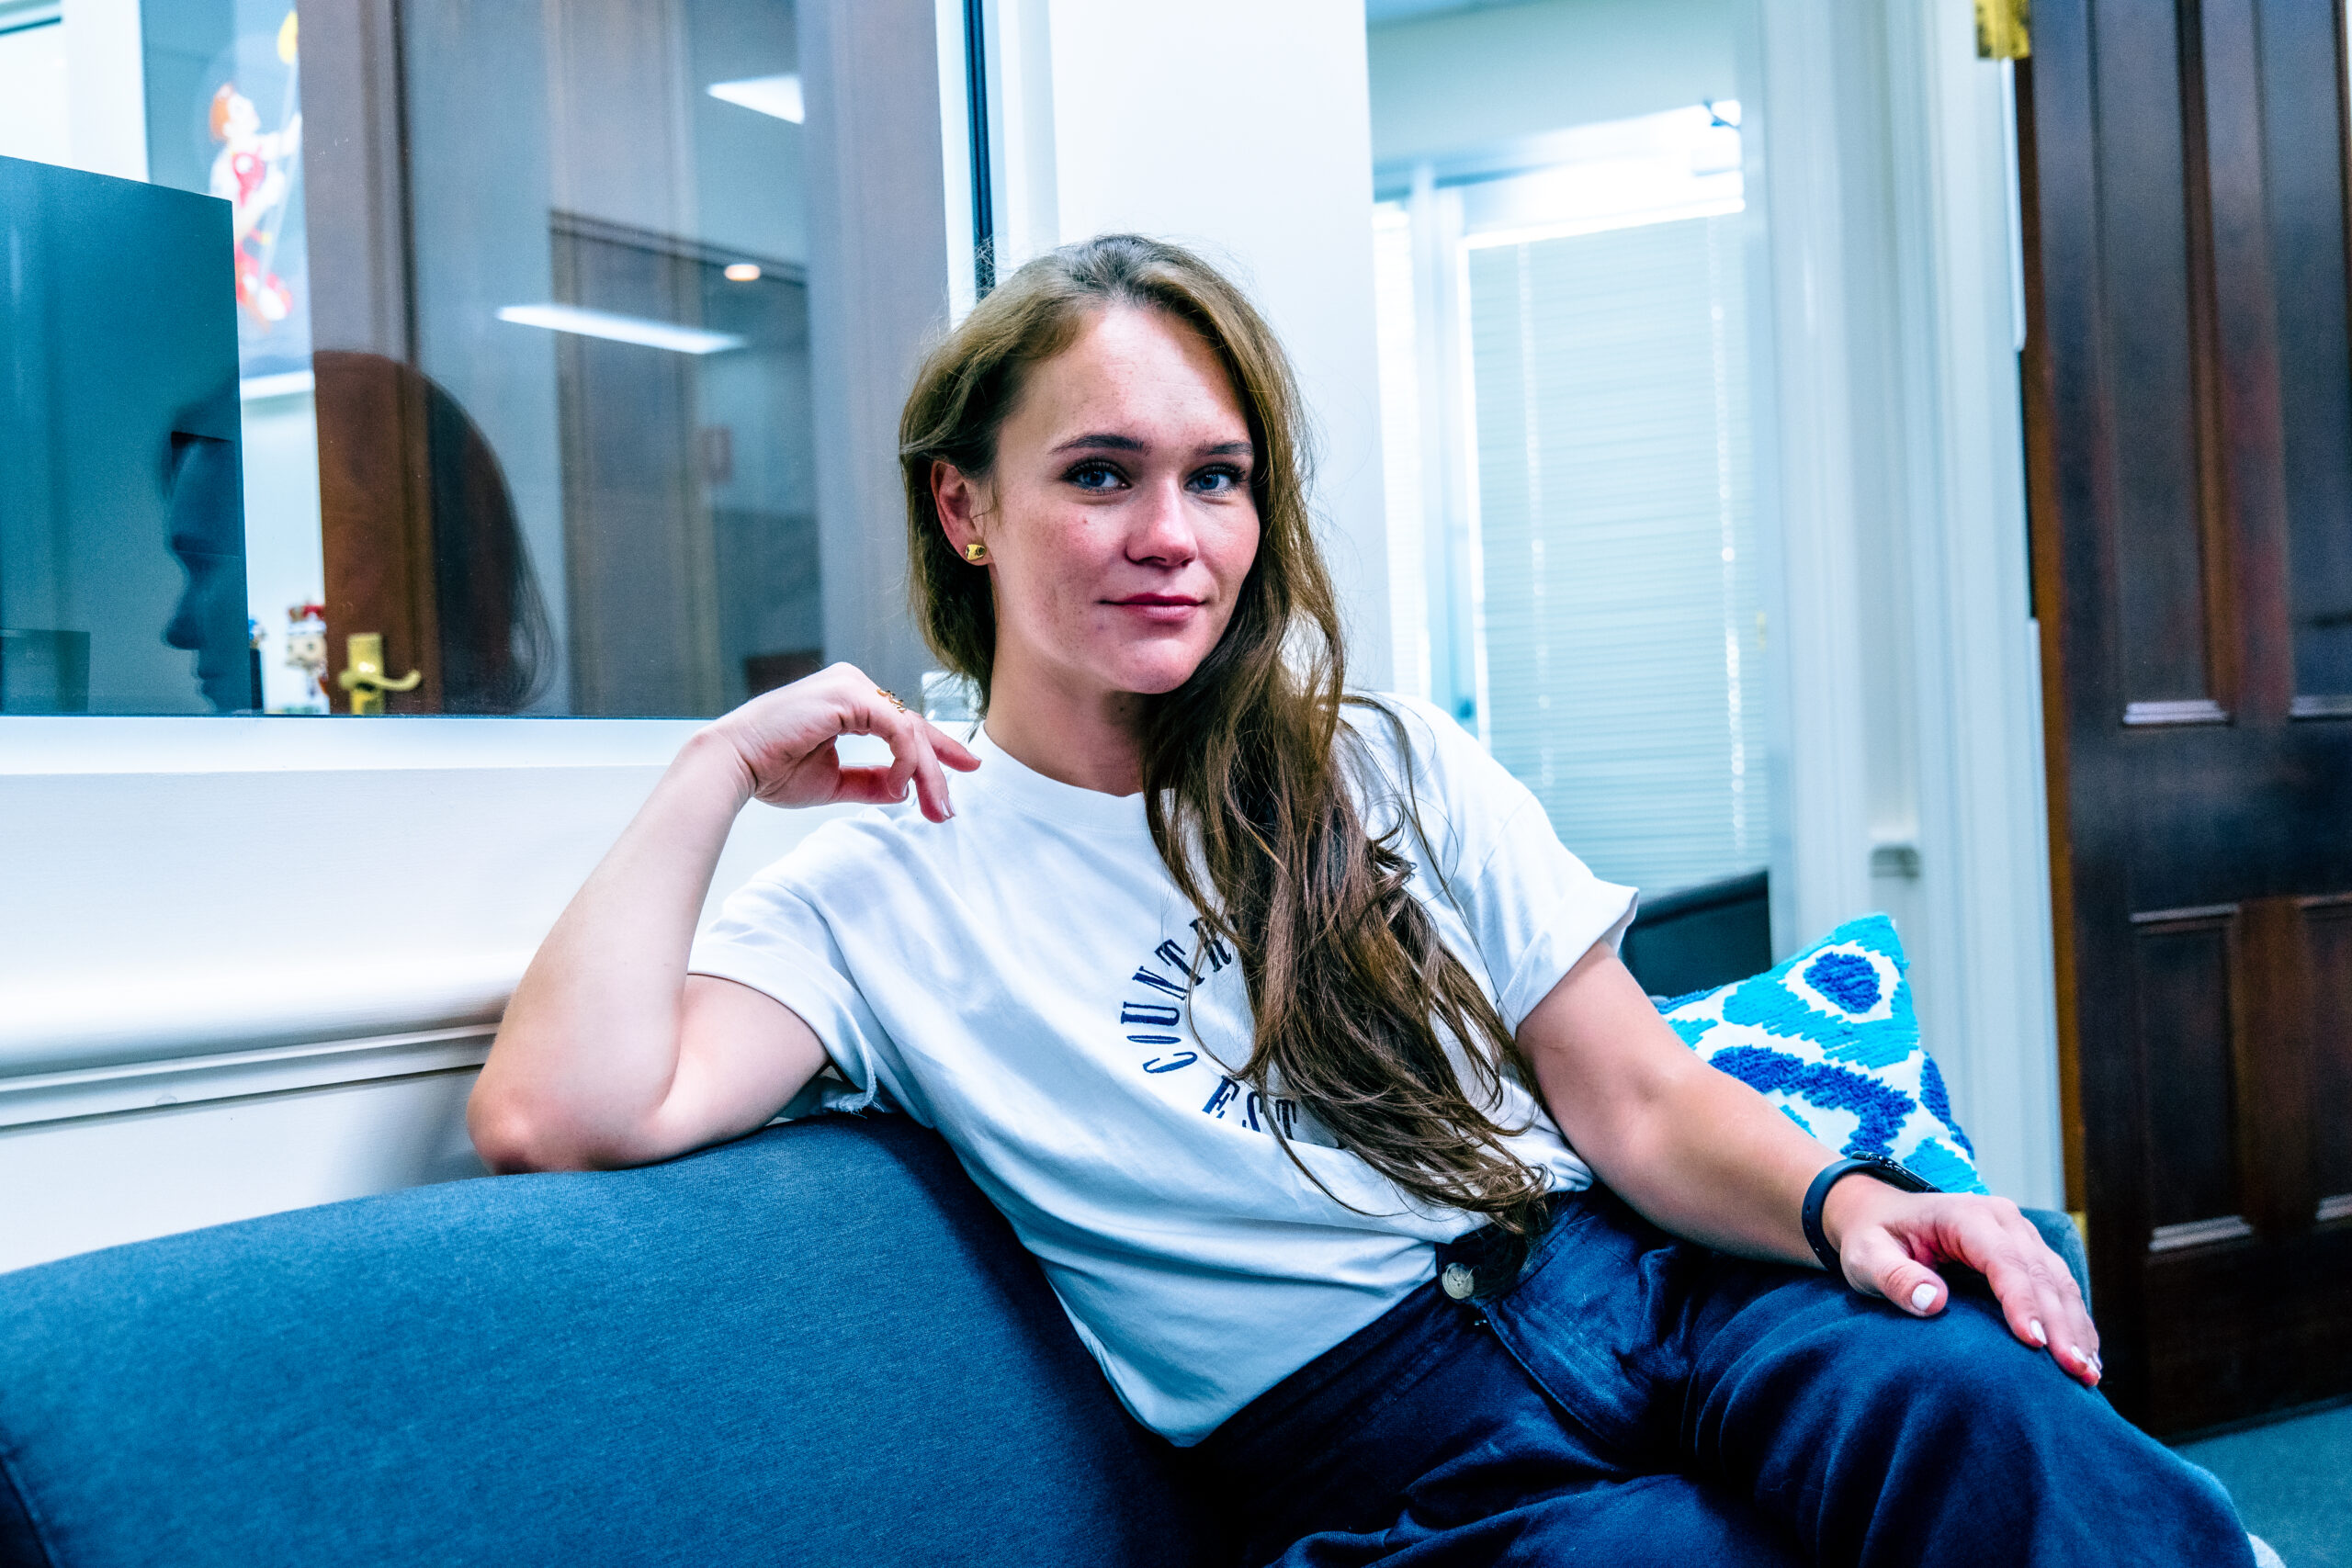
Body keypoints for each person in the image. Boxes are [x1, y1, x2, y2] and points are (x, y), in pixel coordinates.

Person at [469, 234, 2252, 1566]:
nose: (1171, 530)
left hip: (1626, 1279)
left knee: (1980, 1407)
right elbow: (557, 1109)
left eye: (1216, 477)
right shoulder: (879, 885)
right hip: (1382, 1447)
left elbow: (1626, 1093)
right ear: (963, 507)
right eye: (1098, 474)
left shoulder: (1373, 765)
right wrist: (710, 771)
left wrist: (1842, 1197)